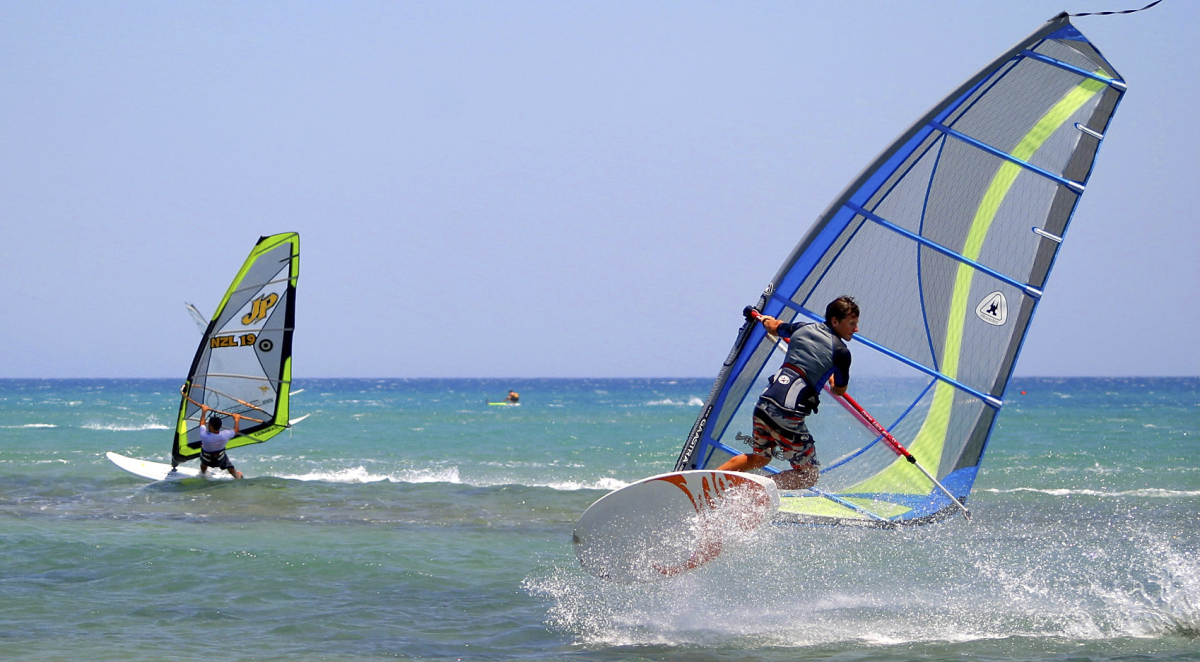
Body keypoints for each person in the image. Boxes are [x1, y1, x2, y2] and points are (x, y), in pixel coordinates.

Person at [718, 296, 859, 489]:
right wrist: (832, 378)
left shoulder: (802, 328)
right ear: (835, 321)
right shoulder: (841, 352)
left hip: (764, 404)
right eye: (851, 323)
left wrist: (764, 319)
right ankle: (754, 492)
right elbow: (839, 390)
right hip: (787, 415)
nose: (855, 329)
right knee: (808, 476)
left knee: (760, 458)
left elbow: (774, 326)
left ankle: (708, 480)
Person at [198, 410, 244, 479]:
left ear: (210, 426)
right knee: (225, 459)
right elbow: (236, 430)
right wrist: (237, 419)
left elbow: (202, 424)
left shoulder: (204, 435)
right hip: (220, 460)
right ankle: (236, 476)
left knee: (204, 455)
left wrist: (204, 411)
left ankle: (203, 472)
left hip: (207, 460)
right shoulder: (226, 434)